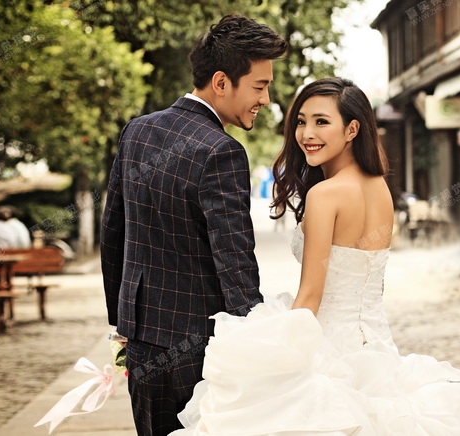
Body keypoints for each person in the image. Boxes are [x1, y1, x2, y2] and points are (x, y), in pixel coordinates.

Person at [170, 78, 460, 434]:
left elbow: (310, 297)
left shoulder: (325, 195)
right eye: (301, 121)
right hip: (376, 350)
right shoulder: (379, 187)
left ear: (352, 130)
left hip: (328, 349)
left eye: (321, 122)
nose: (307, 134)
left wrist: (274, 358)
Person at [100, 14, 287, 436]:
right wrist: (255, 342)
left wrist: (124, 324)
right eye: (259, 86)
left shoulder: (137, 132)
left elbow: (113, 235)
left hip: (142, 340)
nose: (266, 99)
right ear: (221, 82)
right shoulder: (222, 151)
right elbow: (234, 261)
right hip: (201, 349)